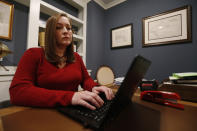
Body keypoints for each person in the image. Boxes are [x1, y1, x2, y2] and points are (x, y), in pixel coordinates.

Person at [9, 13, 114, 110]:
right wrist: (69, 97)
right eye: (59, 27)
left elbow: (86, 79)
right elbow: (18, 92)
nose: (66, 31)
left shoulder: (76, 57)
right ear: (50, 33)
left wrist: (94, 87)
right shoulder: (33, 54)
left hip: (72, 109)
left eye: (69, 28)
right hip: (44, 112)